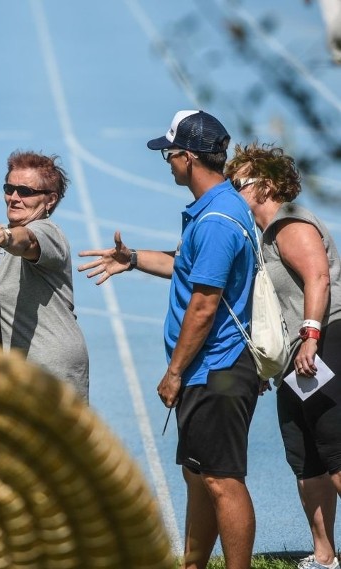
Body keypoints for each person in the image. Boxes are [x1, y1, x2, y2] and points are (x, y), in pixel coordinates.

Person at [77, 110, 259, 569]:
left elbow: (204, 303)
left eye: (170, 154)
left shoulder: (216, 220)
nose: (169, 162)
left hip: (215, 369)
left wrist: (174, 372)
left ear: (191, 158)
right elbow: (185, 265)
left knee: (222, 479)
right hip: (212, 365)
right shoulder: (216, 209)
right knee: (198, 474)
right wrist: (133, 258)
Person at [225, 143, 341, 569]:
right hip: (298, 357)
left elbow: (319, 277)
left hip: (329, 340)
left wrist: (311, 336)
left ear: (266, 186)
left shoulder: (290, 223)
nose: (232, 193)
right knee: (306, 456)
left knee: (337, 450)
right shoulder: (262, 238)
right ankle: (325, 555)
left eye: (237, 185)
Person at [0, 150, 90, 400]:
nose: (14, 198)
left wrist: (5, 236)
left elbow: (25, 242)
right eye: (10, 188)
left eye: (26, 192)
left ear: (50, 200)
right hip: (4, 375)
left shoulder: (48, 233)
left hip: (48, 375)